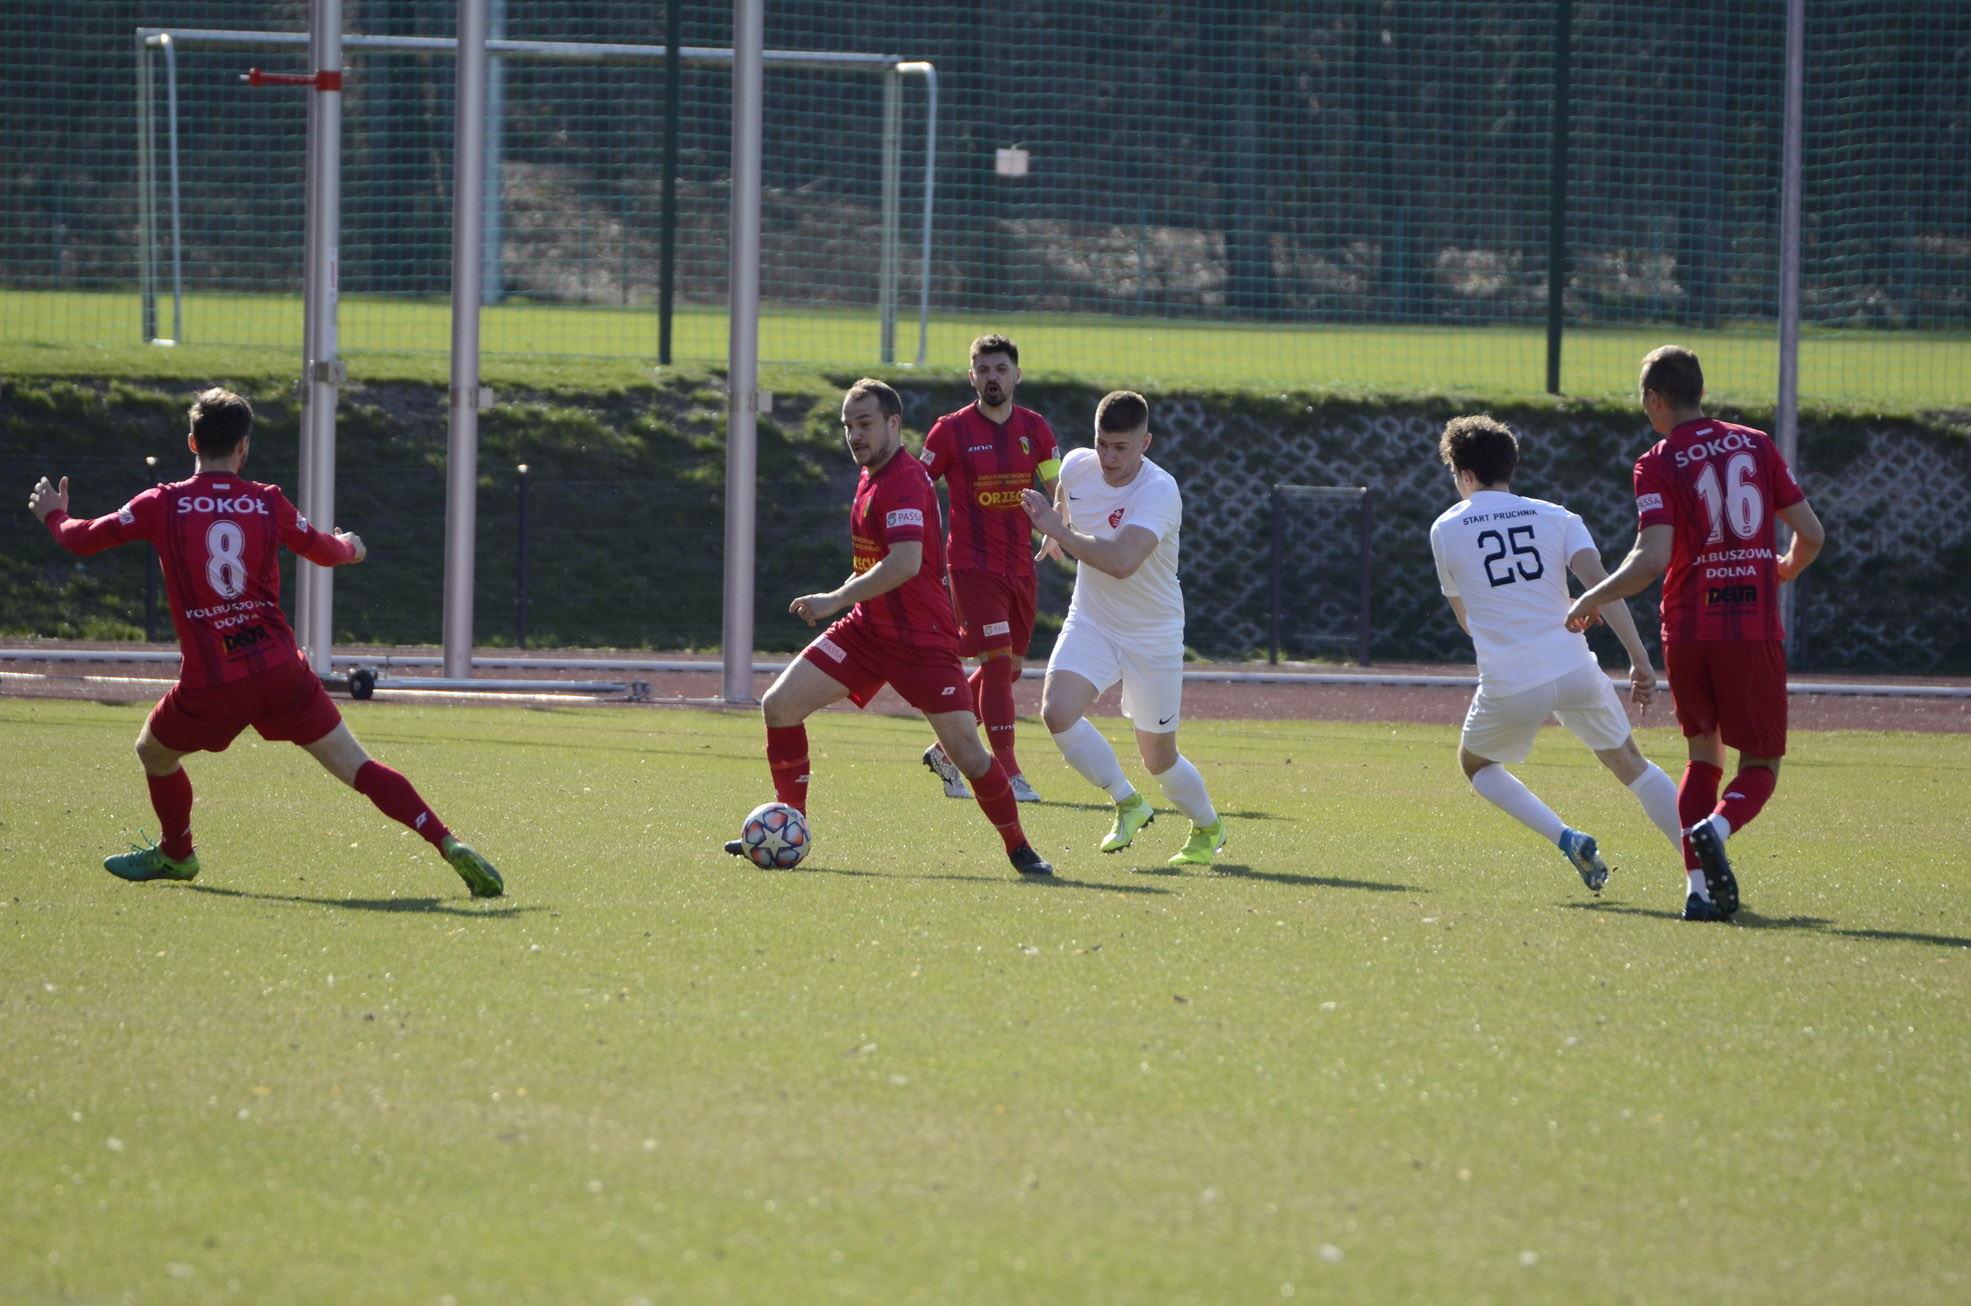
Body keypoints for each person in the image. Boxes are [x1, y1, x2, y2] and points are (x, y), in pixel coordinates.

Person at [26, 388, 502, 897]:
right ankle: (446, 840)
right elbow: (324, 549)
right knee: (358, 767)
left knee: (153, 751)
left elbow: (78, 537)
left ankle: (178, 853)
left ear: (192, 443)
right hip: (282, 671)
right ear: (243, 448)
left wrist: (54, 512)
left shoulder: (162, 503)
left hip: (214, 682)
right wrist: (351, 548)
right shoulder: (266, 501)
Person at [727, 378, 1053, 878]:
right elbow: (875, 563)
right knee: (780, 705)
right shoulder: (871, 475)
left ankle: (1019, 847)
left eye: (865, 424)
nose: (854, 435)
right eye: (848, 426)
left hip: (922, 643)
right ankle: (788, 826)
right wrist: (845, 597)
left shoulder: (902, 479)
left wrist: (835, 598)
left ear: (894, 424)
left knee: (967, 753)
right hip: (867, 631)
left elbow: (904, 562)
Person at [1568, 346, 1825, 922]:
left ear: (1656, 399)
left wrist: (1591, 596)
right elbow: (1811, 533)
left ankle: (1698, 892)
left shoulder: (1655, 460)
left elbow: (1650, 557)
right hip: (1750, 627)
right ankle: (1718, 828)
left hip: (1687, 628)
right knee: (1759, 765)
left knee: (1702, 755)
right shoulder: (1755, 444)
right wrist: (1784, 566)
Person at [1429, 415, 1686, 895]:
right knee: (1635, 766)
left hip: (1510, 681)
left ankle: (1567, 837)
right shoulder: (1558, 516)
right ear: (1511, 466)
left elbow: (1470, 621)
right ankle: (1704, 868)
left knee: (1477, 766)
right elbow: (1604, 589)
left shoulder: (1444, 528)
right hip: (1573, 668)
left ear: (1464, 476)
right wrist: (1640, 658)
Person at [1019, 390, 1225, 867]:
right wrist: (1056, 529)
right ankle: (1128, 802)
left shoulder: (1159, 490)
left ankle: (1208, 826)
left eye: (1122, 448)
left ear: (1145, 443)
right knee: (1057, 713)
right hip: (1092, 619)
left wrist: (1062, 533)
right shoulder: (1076, 464)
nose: (1109, 458)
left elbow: (1121, 561)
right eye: (1102, 444)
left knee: (1158, 758)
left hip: (1152, 634)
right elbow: (1065, 498)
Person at [916, 334, 1061, 804]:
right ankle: (1008, 772)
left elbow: (1057, 486)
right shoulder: (949, 430)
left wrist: (1058, 529)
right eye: (983, 369)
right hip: (971, 566)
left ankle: (944, 750)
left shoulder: (1036, 428)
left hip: (1020, 566)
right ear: (971, 375)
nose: (992, 377)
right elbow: (916, 487)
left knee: (1011, 668)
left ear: (1016, 375)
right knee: (996, 663)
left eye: (1001, 369)